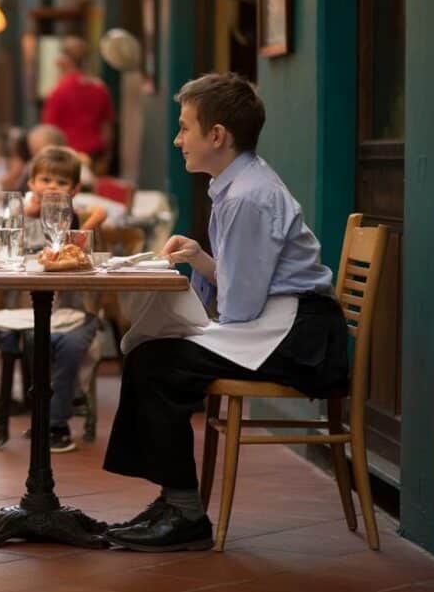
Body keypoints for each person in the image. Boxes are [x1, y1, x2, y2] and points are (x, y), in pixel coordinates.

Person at [101, 73, 346, 552]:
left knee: (156, 361)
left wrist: (197, 325)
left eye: (184, 128)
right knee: (155, 354)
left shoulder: (247, 196)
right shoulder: (240, 184)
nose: (178, 140)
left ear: (217, 135)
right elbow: (246, 287)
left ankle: (184, 513)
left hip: (302, 340)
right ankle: (174, 502)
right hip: (289, 323)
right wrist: (200, 259)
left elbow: (240, 307)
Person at [0, 146, 105, 452]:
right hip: (28, 309)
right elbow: (3, 247)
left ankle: (55, 422)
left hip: (74, 311)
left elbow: (101, 215)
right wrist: (25, 213)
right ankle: (47, 412)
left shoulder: (73, 220)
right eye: (45, 180)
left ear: (75, 190)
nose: (52, 187)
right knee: (34, 337)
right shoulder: (18, 216)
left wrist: (85, 229)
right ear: (31, 184)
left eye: (61, 182)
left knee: (68, 344)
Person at [41, 37, 116, 170]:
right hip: (95, 156)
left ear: (65, 60)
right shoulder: (100, 88)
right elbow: (107, 129)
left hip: (66, 158)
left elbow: (49, 131)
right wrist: (106, 157)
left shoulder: (59, 91)